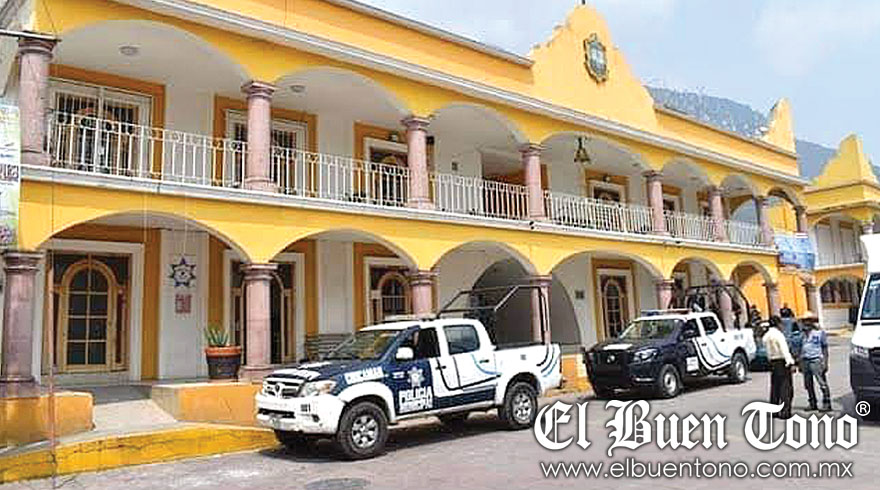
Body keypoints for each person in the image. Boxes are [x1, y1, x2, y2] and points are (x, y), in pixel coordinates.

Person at [763, 316, 795, 418]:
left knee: (775, 387)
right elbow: (784, 349)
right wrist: (790, 362)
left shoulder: (766, 336)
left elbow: (767, 351)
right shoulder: (778, 335)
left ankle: (774, 411)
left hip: (773, 362)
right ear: (778, 324)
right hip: (782, 361)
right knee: (786, 388)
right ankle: (785, 412)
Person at [799, 312, 832, 411]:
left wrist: (825, 362)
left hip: (816, 360)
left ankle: (827, 402)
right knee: (808, 384)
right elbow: (799, 348)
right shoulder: (801, 334)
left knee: (822, 383)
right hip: (805, 360)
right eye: (804, 321)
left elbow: (824, 347)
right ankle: (812, 403)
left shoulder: (819, 333)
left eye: (808, 320)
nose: (806, 323)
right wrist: (800, 363)